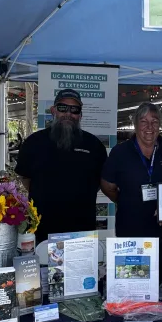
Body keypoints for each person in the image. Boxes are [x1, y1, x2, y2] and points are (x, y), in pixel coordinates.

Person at [100, 102, 162, 288]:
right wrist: (125, 201)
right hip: (131, 225)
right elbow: (107, 185)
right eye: (143, 121)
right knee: (134, 280)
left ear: (160, 124)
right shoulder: (121, 152)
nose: (149, 127)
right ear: (135, 125)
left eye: (154, 121)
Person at [15, 89, 107, 241]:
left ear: (80, 115)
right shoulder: (33, 142)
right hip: (42, 228)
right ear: (53, 111)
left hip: (82, 229)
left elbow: (99, 182)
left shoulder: (94, 145)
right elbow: (26, 179)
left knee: (82, 265)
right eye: (63, 108)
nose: (68, 114)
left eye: (74, 109)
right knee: (42, 264)